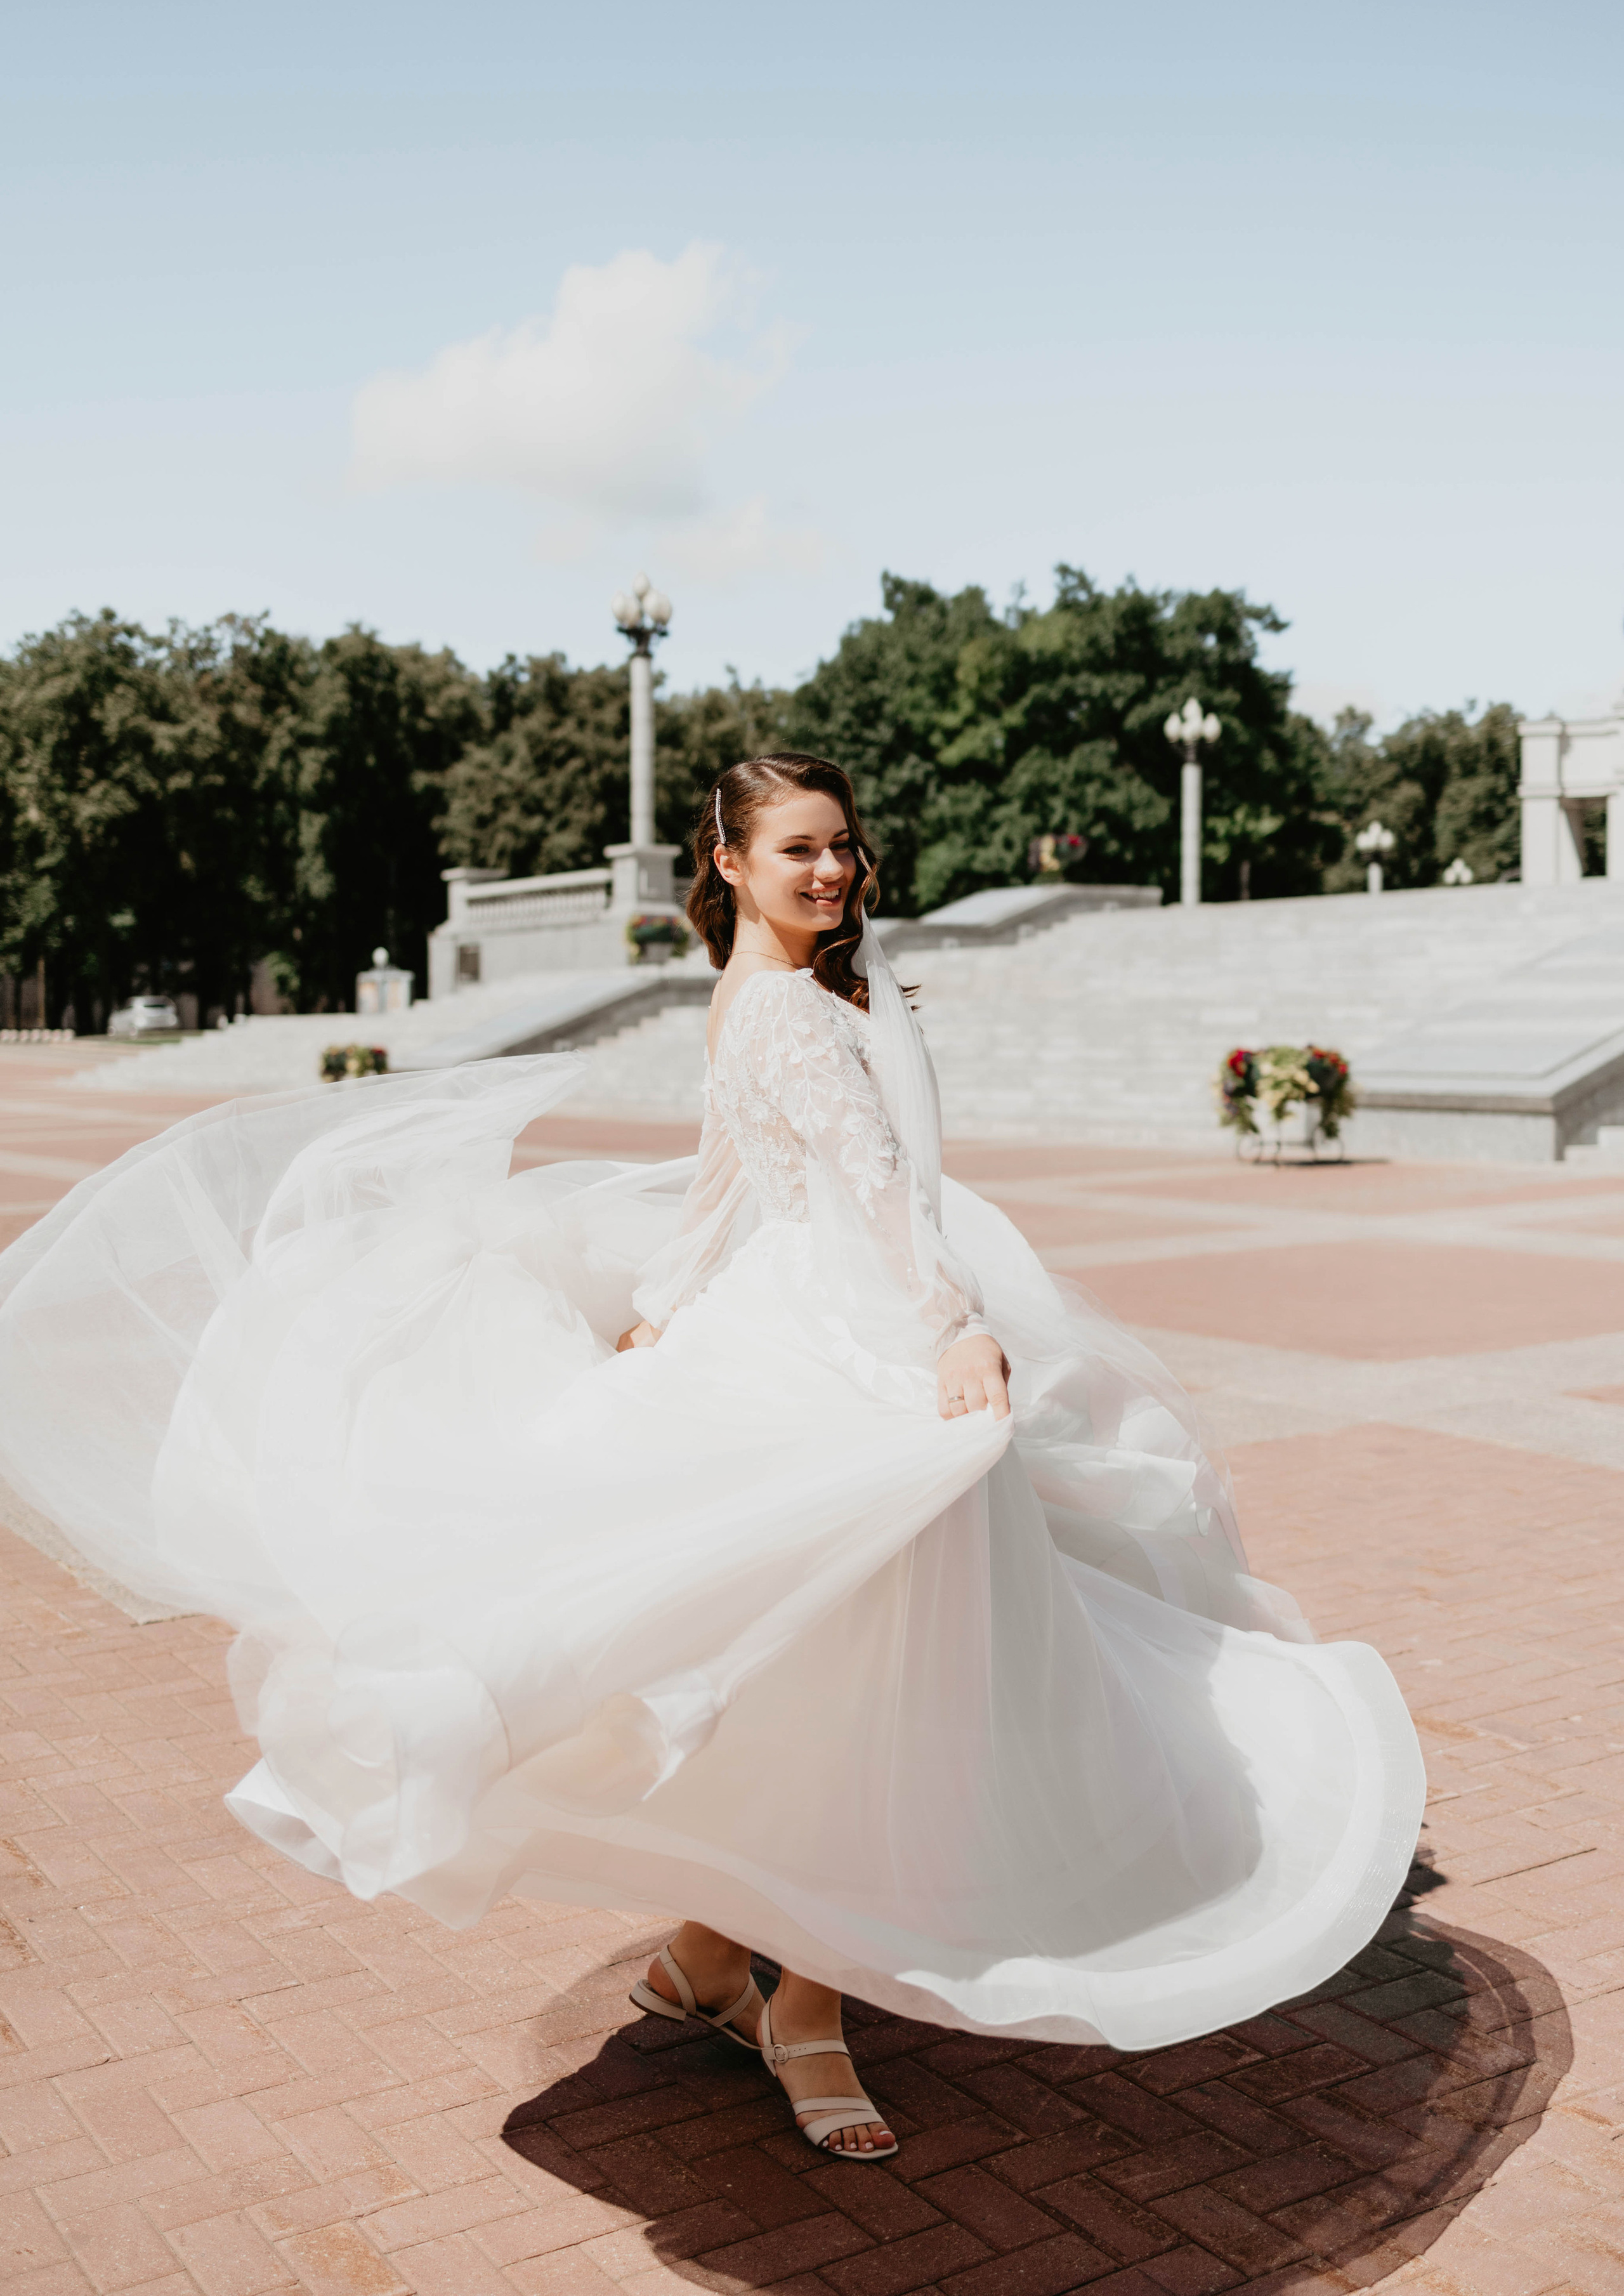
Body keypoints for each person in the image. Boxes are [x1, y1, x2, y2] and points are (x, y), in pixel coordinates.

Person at [0, 752, 1424, 2166]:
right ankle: (799, 2003)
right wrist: (942, 1327)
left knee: (828, 1658)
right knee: (878, 1669)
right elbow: (839, 1187)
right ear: (729, 861)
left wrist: (672, 1309)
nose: (831, 870)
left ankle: (716, 1962)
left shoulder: (759, 998)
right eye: (798, 847)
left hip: (804, 1319)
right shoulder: (787, 1010)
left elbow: (733, 1187)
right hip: (845, 1336)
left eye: (841, 847)